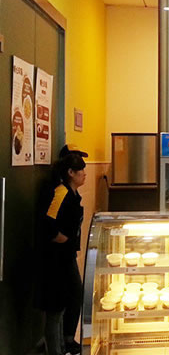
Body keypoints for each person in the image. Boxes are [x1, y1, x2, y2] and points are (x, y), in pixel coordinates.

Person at [38, 145, 87, 355]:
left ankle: (66, 340)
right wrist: (63, 239)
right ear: (70, 173)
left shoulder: (74, 194)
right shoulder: (60, 192)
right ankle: (55, 350)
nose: (84, 173)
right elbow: (48, 223)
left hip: (67, 256)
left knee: (74, 295)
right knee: (56, 308)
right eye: (81, 170)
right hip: (55, 259)